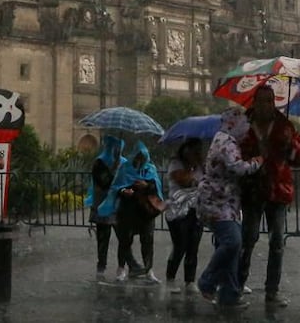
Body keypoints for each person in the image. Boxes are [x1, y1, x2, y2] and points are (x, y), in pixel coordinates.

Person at [238, 85, 300, 307]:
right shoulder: (243, 125)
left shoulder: (284, 126)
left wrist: (291, 146)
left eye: (269, 101)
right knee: (248, 239)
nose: (265, 105)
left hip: (277, 190)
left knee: (277, 241)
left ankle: (272, 291)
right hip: (252, 190)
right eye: (261, 100)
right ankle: (237, 285)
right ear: (254, 102)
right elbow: (234, 153)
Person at [197, 106, 264, 310]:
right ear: (233, 124)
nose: (246, 128)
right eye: (244, 124)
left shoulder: (223, 139)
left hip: (224, 202)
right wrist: (256, 162)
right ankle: (208, 281)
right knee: (232, 242)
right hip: (218, 203)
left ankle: (229, 295)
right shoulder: (227, 143)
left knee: (231, 248)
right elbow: (237, 168)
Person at [100, 141, 163, 283]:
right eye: (138, 157)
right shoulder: (125, 168)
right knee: (125, 240)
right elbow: (116, 187)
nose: (139, 160)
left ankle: (149, 270)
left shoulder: (150, 169)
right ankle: (121, 269)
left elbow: (157, 188)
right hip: (127, 211)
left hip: (145, 212)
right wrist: (124, 190)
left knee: (147, 241)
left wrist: (147, 185)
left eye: (142, 157)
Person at [165, 137, 205, 294]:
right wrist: (192, 169)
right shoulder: (176, 164)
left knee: (193, 245)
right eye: (194, 150)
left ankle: (190, 280)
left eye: (199, 150)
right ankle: (170, 278)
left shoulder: (201, 166)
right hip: (177, 211)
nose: (197, 153)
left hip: (196, 209)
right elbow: (185, 181)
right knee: (180, 245)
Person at [89, 136, 126, 281]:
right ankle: (101, 266)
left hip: (119, 207)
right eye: (116, 148)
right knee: (103, 238)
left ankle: (124, 266)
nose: (117, 151)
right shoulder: (100, 163)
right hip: (103, 206)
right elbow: (104, 183)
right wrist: (114, 168)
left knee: (123, 238)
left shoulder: (123, 163)